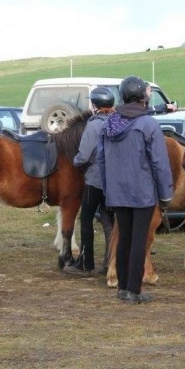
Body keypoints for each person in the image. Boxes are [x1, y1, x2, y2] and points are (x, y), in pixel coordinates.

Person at [98, 76, 173, 304]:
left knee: (124, 239)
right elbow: (159, 162)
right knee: (138, 241)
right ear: (142, 97)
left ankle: (123, 288)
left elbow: (102, 161)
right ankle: (134, 290)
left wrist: (108, 189)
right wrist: (166, 193)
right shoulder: (148, 124)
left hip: (117, 193)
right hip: (142, 193)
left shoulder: (108, 124)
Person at [63, 87, 116, 277]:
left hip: (95, 180)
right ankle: (110, 262)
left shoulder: (93, 126)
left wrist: (75, 161)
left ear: (95, 106)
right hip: (113, 181)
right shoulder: (116, 122)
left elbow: (84, 155)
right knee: (109, 220)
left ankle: (85, 263)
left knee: (85, 219)